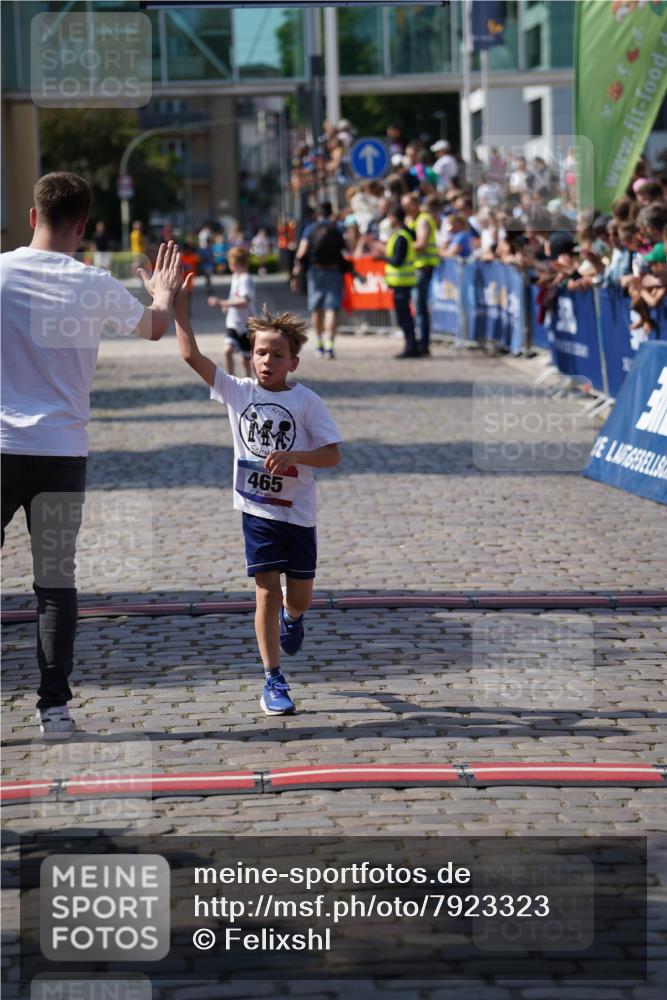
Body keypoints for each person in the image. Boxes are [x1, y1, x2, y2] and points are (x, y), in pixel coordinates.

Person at [1, 171, 182, 737]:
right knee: (55, 586)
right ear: (82, 225)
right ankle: (54, 710)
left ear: (33, 217)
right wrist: (164, 294)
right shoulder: (93, 283)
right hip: (60, 453)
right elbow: (155, 328)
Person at [174, 295, 341, 715]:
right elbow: (190, 354)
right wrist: (178, 307)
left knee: (298, 597)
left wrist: (296, 457)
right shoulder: (237, 391)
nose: (266, 360)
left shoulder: (307, 401)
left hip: (298, 514)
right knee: (265, 590)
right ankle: (273, 678)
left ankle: (294, 616)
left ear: (293, 363)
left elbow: (333, 454)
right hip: (258, 511)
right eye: (260, 352)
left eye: (276, 354)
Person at [290, 201, 350, 359]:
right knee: (331, 309)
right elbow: (347, 250)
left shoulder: (310, 228)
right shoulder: (337, 228)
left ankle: (319, 344)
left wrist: (295, 275)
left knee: (316, 310)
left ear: (317, 213)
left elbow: (301, 253)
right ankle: (330, 345)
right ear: (331, 213)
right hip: (334, 272)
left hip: (315, 272)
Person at [207, 246, 255, 378]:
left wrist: (222, 303)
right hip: (233, 323)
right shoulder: (236, 277)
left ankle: (248, 383)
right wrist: (228, 305)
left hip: (246, 325)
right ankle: (231, 381)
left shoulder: (245, 279)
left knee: (245, 360)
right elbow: (234, 296)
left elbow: (245, 301)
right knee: (227, 350)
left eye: (229, 262)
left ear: (234, 263)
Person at [379, 203, 419, 359]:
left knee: (404, 317)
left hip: (402, 282)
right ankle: (411, 345)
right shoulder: (403, 233)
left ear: (395, 217)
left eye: (390, 216)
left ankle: (411, 346)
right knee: (405, 316)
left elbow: (397, 260)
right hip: (401, 282)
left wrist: (382, 258)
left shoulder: (401, 236)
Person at [412, 195, 441, 356]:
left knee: (420, 308)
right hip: (422, 267)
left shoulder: (423, 220)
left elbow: (421, 244)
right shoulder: (423, 219)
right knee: (420, 308)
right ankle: (422, 342)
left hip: (423, 267)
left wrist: (402, 246)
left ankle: (423, 343)